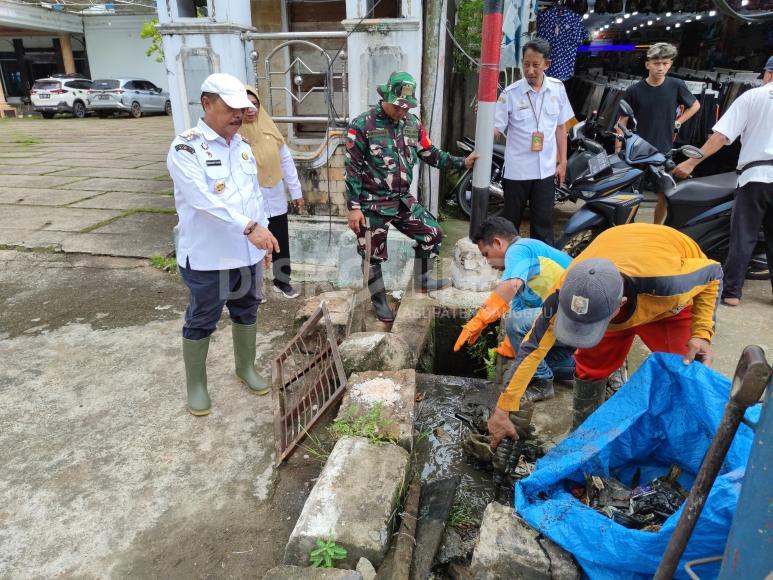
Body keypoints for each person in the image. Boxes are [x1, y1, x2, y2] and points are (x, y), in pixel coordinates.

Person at [485, 223, 722, 448]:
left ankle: (678, 442)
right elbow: (532, 349)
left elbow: (714, 273)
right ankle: (580, 441)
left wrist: (702, 332)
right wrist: (502, 410)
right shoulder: (566, 289)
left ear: (620, 305)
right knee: (589, 368)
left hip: (666, 305)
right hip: (614, 270)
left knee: (684, 372)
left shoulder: (670, 283)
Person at [167, 73, 280, 417]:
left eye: (241, 109)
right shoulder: (186, 148)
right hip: (209, 257)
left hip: (246, 254)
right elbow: (202, 200)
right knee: (203, 318)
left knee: (247, 309)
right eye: (230, 108)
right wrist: (249, 228)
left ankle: (244, 367)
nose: (238, 115)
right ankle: (196, 386)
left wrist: (262, 239)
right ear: (207, 103)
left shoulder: (243, 149)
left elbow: (254, 200)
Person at [345, 71, 478, 322]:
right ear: (387, 97)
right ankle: (379, 301)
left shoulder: (413, 124)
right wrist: (353, 208)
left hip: (402, 199)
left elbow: (429, 153)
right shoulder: (362, 125)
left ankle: (423, 279)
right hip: (372, 204)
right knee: (373, 252)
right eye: (398, 106)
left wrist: (462, 163)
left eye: (407, 107)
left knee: (431, 233)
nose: (402, 111)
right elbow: (352, 169)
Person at [673, 56, 773, 306]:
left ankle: (731, 293)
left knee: (743, 235)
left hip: (755, 177)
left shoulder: (753, 96)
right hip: (758, 175)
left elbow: (721, 136)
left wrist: (691, 162)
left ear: (768, 74)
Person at [454, 217, 575, 402]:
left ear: (497, 243)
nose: (487, 262)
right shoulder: (527, 264)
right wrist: (510, 347)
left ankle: (542, 384)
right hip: (574, 325)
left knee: (515, 325)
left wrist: (479, 320)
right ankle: (587, 366)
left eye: (486, 254)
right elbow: (520, 308)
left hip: (577, 317)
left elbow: (511, 288)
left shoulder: (518, 249)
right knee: (524, 362)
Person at [495, 38, 574, 247]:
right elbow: (496, 128)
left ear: (547, 64)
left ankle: (542, 267)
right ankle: (508, 266)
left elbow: (560, 128)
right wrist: (484, 121)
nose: (529, 70)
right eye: (526, 64)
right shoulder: (510, 94)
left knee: (543, 225)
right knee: (510, 225)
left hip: (545, 172)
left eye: (535, 65)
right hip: (517, 172)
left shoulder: (557, 89)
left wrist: (562, 162)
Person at [616, 42, 701, 225]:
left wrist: (678, 121)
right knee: (630, 195)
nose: (661, 67)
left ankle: (656, 228)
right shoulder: (634, 90)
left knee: (665, 193)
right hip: (636, 151)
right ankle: (627, 229)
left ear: (670, 64)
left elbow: (695, 105)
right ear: (648, 64)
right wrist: (618, 148)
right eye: (656, 63)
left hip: (662, 151)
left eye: (665, 63)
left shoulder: (676, 85)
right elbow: (622, 121)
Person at [239, 85, 304, 299]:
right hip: (249, 200)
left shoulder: (270, 129)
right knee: (251, 244)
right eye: (246, 105)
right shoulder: (234, 134)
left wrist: (296, 192)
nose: (251, 110)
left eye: (255, 105)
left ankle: (282, 281)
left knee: (280, 240)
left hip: (274, 195)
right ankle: (254, 288)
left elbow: (286, 161)